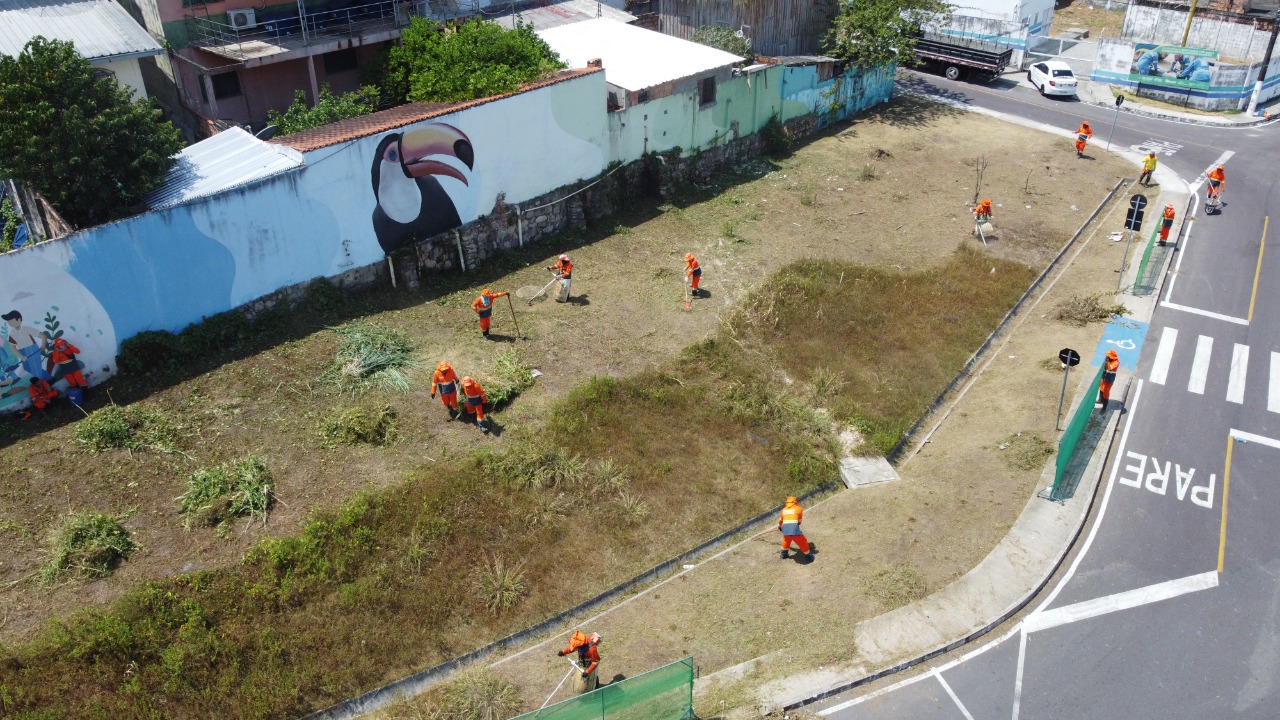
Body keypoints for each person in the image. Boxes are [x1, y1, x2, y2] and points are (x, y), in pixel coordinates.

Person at [778, 496, 814, 561]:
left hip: (785, 529)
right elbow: (799, 521)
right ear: (795, 502)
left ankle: (784, 554)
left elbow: (781, 521)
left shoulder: (783, 510)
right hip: (794, 530)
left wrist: (780, 527)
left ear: (787, 502)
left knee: (786, 541)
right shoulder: (798, 509)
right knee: (802, 542)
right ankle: (809, 557)